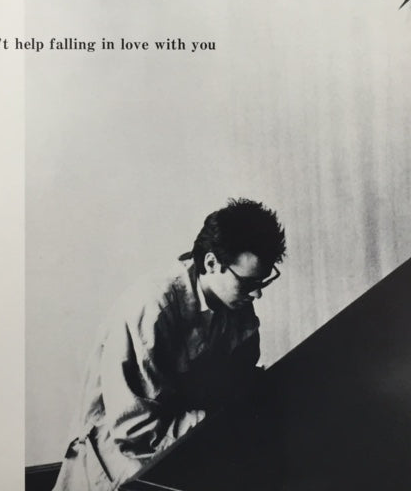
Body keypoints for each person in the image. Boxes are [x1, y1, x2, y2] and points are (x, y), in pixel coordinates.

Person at [53, 198, 286, 491]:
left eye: (263, 283)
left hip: (190, 447)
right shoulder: (151, 309)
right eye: (249, 284)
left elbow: (237, 381)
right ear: (211, 263)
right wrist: (220, 422)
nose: (257, 295)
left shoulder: (236, 302)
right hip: (122, 465)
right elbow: (135, 429)